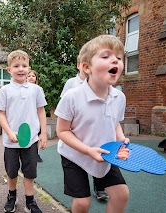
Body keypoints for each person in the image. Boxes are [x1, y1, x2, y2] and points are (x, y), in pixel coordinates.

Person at [55, 35, 130, 213]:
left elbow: (115, 123)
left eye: (119, 58)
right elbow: (62, 131)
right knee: (82, 203)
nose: (115, 60)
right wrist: (88, 150)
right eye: (106, 56)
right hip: (74, 155)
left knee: (121, 194)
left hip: (105, 153)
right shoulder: (72, 97)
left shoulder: (119, 97)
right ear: (86, 67)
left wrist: (121, 140)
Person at [0, 50, 47, 213]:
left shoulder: (36, 89)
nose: (21, 69)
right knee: (11, 172)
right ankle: (12, 196)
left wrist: (43, 133)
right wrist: (10, 132)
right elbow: (0, 113)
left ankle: (30, 202)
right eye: (16, 66)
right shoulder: (5, 90)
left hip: (30, 139)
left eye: (24, 65)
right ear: (9, 70)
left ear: (29, 68)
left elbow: (41, 111)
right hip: (11, 140)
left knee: (30, 172)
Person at [60, 56, 109, 201]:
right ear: (79, 66)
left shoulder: (102, 85)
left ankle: (99, 187)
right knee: (80, 162)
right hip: (77, 131)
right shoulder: (72, 84)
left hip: (95, 130)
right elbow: (64, 104)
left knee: (99, 157)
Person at [27, 70, 44, 163]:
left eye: (33, 76)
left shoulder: (39, 89)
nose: (31, 77)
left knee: (36, 136)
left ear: (36, 78)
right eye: (29, 76)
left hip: (36, 117)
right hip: (27, 117)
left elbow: (41, 107)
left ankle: (36, 153)